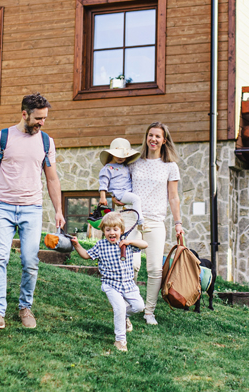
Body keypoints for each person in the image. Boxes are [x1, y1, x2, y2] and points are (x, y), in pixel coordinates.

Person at [0, 92, 65, 330]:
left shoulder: (46, 141)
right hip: (3, 206)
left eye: (45, 118)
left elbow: (52, 179)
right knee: (0, 258)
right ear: (24, 114)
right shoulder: (3, 137)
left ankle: (25, 307)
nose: (42, 123)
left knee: (30, 261)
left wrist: (58, 210)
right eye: (38, 118)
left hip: (32, 209)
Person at [123, 122, 184, 326]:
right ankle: (129, 306)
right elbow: (122, 187)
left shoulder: (170, 167)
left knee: (155, 269)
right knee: (131, 264)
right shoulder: (134, 162)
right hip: (132, 218)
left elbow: (173, 198)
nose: (153, 139)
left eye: (158, 136)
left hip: (156, 221)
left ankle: (149, 311)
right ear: (146, 137)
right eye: (150, 135)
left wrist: (178, 223)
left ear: (164, 140)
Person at [70, 212, 148, 352]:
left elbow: (145, 244)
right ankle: (120, 340)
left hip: (128, 284)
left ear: (121, 231)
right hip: (111, 285)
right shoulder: (101, 245)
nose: (112, 233)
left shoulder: (126, 244)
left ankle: (123, 318)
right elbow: (86, 255)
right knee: (119, 308)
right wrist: (76, 245)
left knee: (139, 306)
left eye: (115, 229)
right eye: (108, 230)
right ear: (103, 231)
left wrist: (129, 242)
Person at [98, 138, 145, 229]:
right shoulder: (108, 168)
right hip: (120, 193)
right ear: (112, 154)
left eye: (124, 156)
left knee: (135, 200)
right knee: (136, 199)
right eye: (118, 155)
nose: (121, 158)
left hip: (127, 192)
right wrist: (103, 197)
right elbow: (103, 183)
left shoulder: (125, 166)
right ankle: (140, 221)